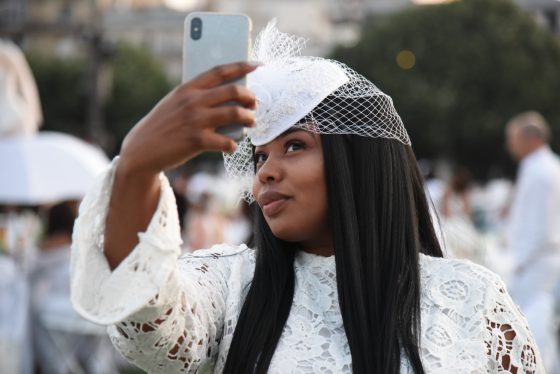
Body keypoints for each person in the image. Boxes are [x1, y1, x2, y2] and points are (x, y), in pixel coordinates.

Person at [71, 22, 543, 373]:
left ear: (358, 159)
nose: (266, 173)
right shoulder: (229, 283)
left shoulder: (473, 299)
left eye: (294, 145)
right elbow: (148, 328)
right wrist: (136, 167)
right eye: (258, 157)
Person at [505, 111, 560, 373]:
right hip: (536, 259)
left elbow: (538, 227)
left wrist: (517, 263)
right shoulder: (540, 167)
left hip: (536, 261)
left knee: (534, 326)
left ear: (532, 138)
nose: (510, 144)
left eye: (513, 138)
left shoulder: (541, 171)